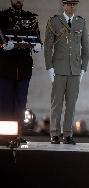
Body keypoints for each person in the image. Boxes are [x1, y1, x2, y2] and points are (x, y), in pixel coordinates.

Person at [44, 0, 89, 145]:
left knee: (71, 104)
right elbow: (48, 46)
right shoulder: (54, 21)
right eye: (69, 4)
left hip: (75, 70)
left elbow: (85, 48)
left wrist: (84, 68)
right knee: (56, 103)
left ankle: (68, 134)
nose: (71, 7)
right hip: (58, 68)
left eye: (74, 4)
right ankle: (55, 134)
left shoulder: (81, 22)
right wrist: (49, 67)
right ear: (64, 5)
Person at [0, 0, 42, 143]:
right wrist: (2, 45)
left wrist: (38, 45)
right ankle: (4, 135)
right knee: (5, 103)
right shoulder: (2, 16)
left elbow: (36, 36)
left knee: (20, 103)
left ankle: (17, 135)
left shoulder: (31, 18)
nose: (18, 0)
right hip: (6, 67)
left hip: (23, 68)